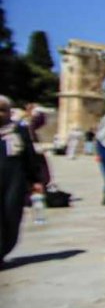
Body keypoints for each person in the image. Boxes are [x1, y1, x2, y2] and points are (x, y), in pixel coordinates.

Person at [1, 96, 48, 266]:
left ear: (9, 112)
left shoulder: (19, 132)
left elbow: (29, 157)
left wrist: (36, 180)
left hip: (14, 181)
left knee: (12, 215)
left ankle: (4, 248)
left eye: (3, 110)